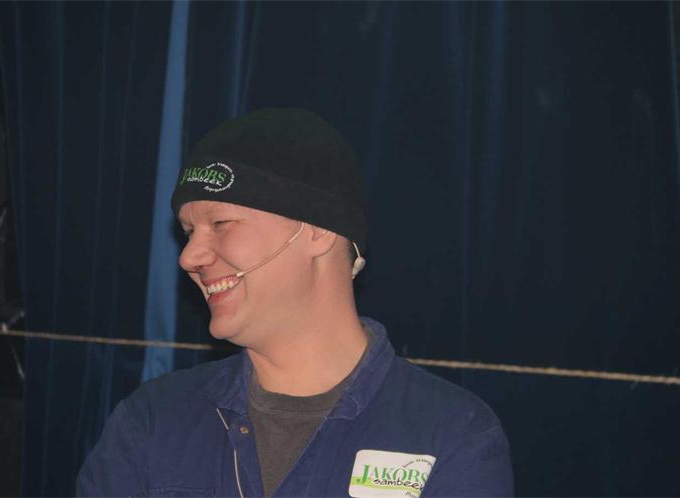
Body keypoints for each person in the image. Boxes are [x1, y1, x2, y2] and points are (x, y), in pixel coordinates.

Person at [76, 108, 513, 497]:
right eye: (189, 232)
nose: (189, 257)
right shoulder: (152, 423)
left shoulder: (451, 437)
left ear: (318, 231)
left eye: (221, 223)